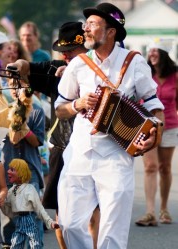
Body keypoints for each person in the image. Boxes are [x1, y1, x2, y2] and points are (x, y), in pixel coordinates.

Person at [54, 3, 164, 249]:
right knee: (70, 224)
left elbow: (155, 105)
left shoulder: (133, 62)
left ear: (111, 31)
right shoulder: (78, 64)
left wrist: (154, 134)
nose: (86, 30)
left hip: (116, 155)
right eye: (86, 25)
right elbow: (60, 108)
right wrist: (78, 104)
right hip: (79, 153)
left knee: (112, 230)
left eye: (92, 24)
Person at [7, 21, 100, 249]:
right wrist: (17, 66)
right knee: (63, 217)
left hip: (96, 149)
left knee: (94, 212)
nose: (66, 55)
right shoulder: (56, 68)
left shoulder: (100, 72)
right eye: (63, 50)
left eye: (71, 50)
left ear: (87, 47)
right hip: (62, 149)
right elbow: (26, 67)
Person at [135, 38, 178, 226]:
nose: (151, 54)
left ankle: (164, 209)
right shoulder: (145, 74)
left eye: (155, 51)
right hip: (147, 126)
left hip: (169, 126)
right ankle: (150, 212)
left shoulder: (175, 75)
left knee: (165, 168)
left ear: (164, 54)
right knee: (150, 167)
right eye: (149, 51)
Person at [0, 75, 46, 248]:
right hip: (8, 170)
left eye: (18, 85)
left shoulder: (36, 110)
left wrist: (23, 126)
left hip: (29, 171)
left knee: (31, 214)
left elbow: (37, 141)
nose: (14, 89)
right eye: (11, 85)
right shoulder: (3, 109)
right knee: (10, 216)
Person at [0, 158, 59, 249]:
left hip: (29, 220)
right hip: (18, 221)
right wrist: (1, 204)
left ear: (21, 172)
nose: (8, 171)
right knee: (16, 243)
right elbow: (9, 212)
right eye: (8, 169)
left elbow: (39, 208)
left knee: (35, 244)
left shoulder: (29, 189)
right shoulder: (11, 191)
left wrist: (49, 222)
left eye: (12, 169)